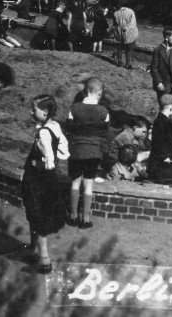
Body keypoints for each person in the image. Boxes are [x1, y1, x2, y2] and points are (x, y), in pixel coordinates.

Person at [21, 95, 69, 275]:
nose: (31, 112)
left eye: (34, 109)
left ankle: (44, 260)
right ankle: (34, 249)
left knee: (37, 215)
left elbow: (48, 160)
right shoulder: (55, 126)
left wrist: (41, 161)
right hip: (49, 180)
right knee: (37, 213)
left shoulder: (43, 133)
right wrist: (53, 161)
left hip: (37, 179)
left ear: (45, 112)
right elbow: (63, 151)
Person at [64, 77, 109, 229]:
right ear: (100, 93)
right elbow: (105, 133)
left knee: (75, 182)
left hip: (76, 150)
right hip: (94, 152)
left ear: (85, 91)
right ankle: (86, 218)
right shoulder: (103, 111)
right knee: (89, 184)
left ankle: (73, 216)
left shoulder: (74, 108)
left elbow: (68, 128)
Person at [146, 94, 172, 184]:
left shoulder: (166, 121)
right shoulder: (160, 122)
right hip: (162, 163)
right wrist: (166, 157)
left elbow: (171, 139)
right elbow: (159, 142)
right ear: (170, 108)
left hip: (168, 160)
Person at [150, 27, 172, 100]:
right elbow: (154, 69)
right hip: (163, 84)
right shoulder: (158, 50)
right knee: (164, 105)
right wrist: (159, 82)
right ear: (166, 38)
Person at [113, 0, 139, 69]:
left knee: (119, 48)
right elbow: (133, 23)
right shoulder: (131, 11)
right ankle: (128, 63)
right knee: (128, 48)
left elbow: (114, 24)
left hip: (118, 31)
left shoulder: (116, 13)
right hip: (128, 31)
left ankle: (119, 62)